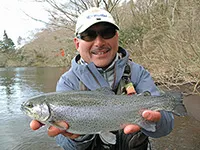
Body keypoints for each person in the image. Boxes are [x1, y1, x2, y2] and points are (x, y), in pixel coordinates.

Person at [30, 7, 174, 150]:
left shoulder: (137, 73)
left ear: (116, 37)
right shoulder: (68, 82)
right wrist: (79, 136)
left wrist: (157, 120)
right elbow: (65, 143)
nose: (99, 42)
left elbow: (166, 127)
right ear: (77, 43)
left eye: (107, 33)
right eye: (89, 35)